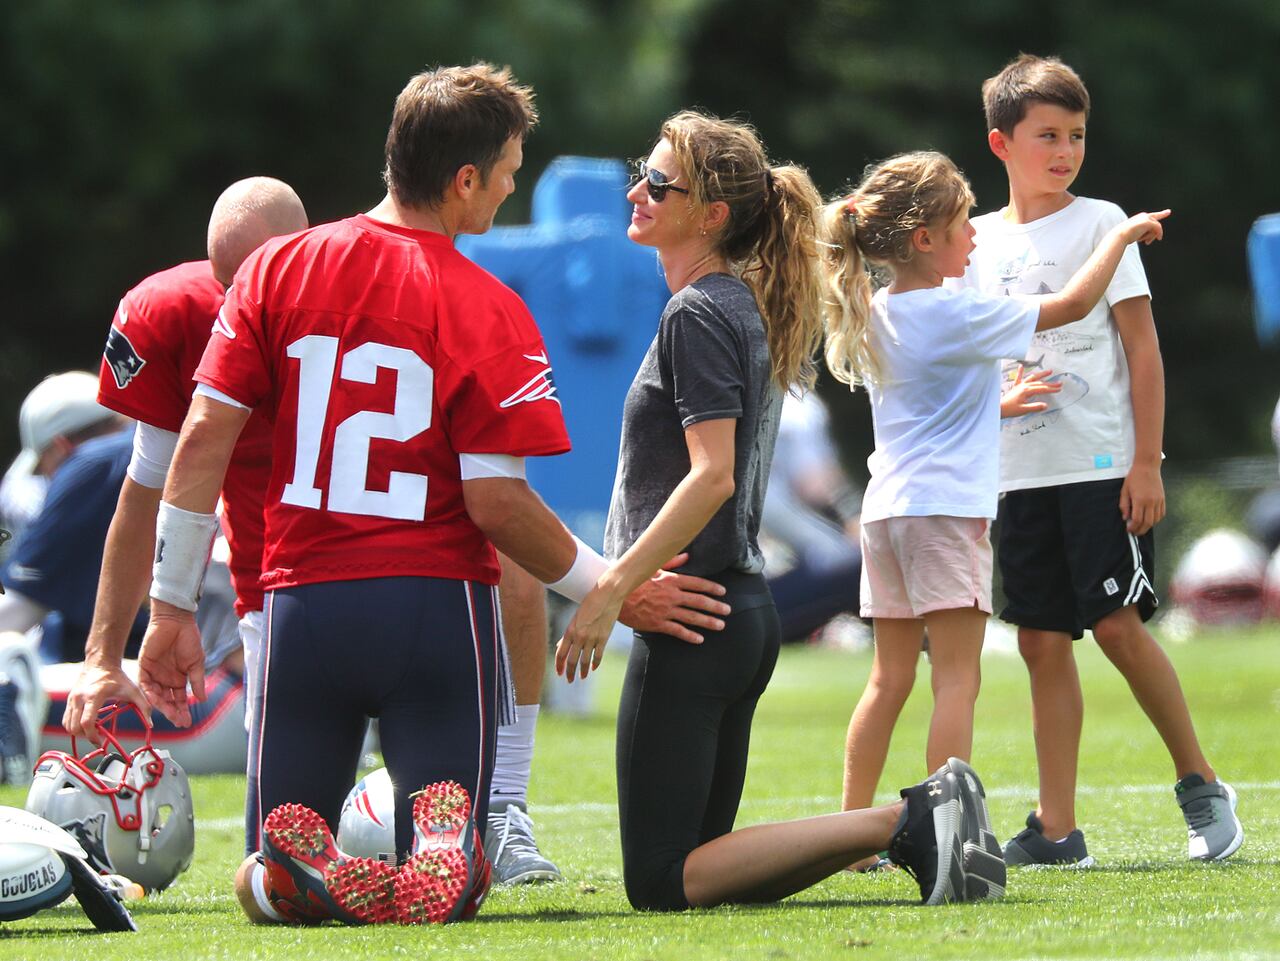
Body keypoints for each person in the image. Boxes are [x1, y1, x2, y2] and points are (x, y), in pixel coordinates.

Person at [139, 64, 730, 925]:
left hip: (301, 603)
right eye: (506, 172)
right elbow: (496, 505)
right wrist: (608, 585)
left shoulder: (274, 271)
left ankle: (306, 874)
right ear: (463, 180)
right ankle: (448, 851)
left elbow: (200, 445)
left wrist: (168, 605)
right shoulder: (489, 306)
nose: (509, 187)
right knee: (451, 848)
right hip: (433, 614)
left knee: (268, 868)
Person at [553, 111, 1004, 912]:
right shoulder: (729, 303)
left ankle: (913, 818)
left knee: (661, 882)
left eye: (659, 183)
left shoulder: (698, 312)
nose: (638, 191)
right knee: (702, 869)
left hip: (696, 618)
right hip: (735, 610)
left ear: (713, 214)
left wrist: (609, 588)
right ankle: (911, 822)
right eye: (642, 174)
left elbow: (712, 477)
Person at [821, 150, 1168, 870]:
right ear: (924, 240)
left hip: (887, 514)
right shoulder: (956, 309)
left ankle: (849, 839)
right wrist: (1119, 237)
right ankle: (946, 833)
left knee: (888, 679)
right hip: (946, 516)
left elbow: (930, 401)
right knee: (957, 679)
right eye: (959, 225)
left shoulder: (878, 309)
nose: (974, 237)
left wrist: (995, 403)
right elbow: (1071, 306)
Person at [954, 53, 1242, 864]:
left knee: (1116, 626)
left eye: (1076, 134)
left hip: (1100, 464)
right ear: (1000, 142)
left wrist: (1145, 460)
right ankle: (1056, 827)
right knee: (1042, 641)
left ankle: (1202, 783)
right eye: (1047, 134)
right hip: (1017, 477)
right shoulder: (971, 242)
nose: (1065, 149)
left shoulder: (1102, 221)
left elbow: (1143, 350)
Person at [58, 177, 307, 784]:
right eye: (229, 288)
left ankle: (504, 809)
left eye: (261, 287)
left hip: (376, 551)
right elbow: (147, 490)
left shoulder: (363, 300)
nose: (242, 308)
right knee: (287, 805)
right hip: (263, 577)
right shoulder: (171, 315)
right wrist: (102, 655)